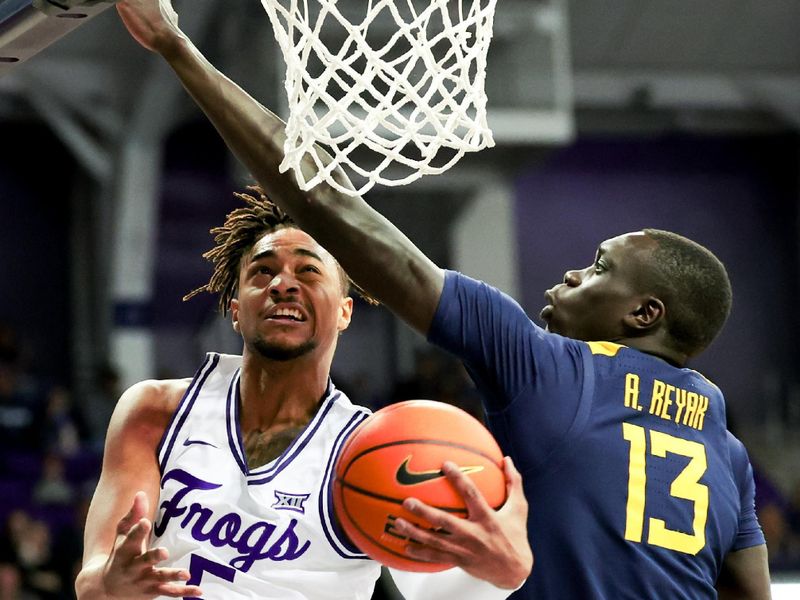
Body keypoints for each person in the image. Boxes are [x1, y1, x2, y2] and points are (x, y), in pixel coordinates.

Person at [113, 1, 771, 598]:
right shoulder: (728, 451)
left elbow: (326, 202)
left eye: (598, 268)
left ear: (644, 314)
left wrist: (177, 48)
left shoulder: (552, 369)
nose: (570, 276)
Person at [75, 188, 532, 599]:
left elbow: (450, 591)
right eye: (263, 271)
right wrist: (112, 582)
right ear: (236, 310)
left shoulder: (372, 450)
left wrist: (504, 572)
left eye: (308, 271)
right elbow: (93, 583)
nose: (282, 284)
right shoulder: (156, 411)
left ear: (344, 312)